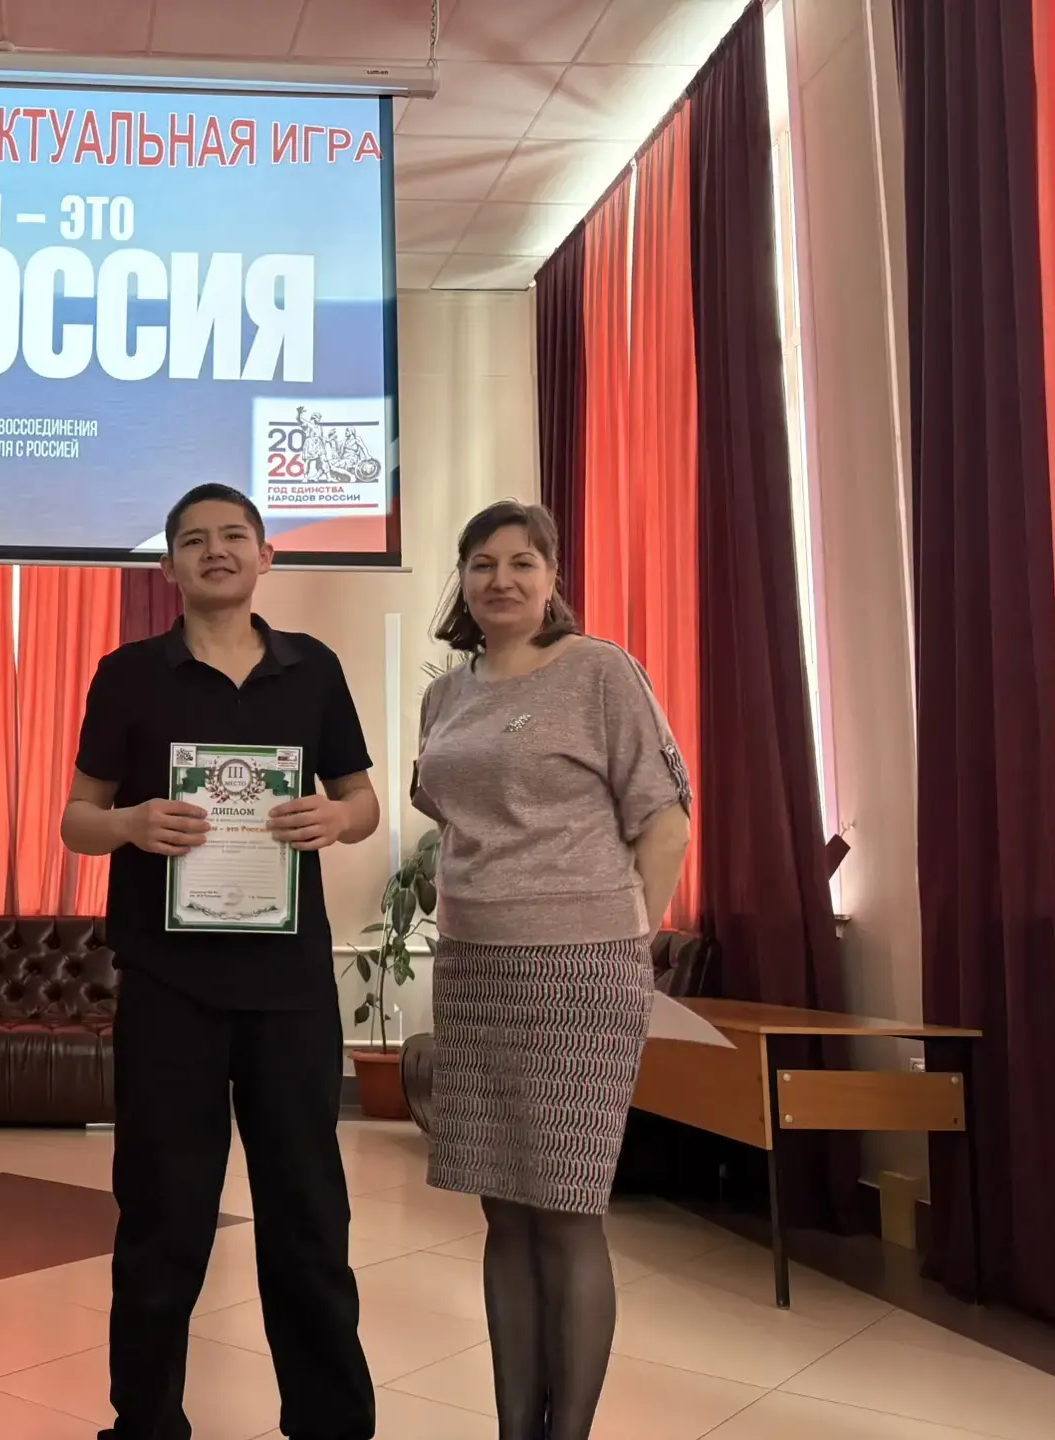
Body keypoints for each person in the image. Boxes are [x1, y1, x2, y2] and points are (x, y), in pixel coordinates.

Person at [62, 483, 380, 1440]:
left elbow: (364, 802)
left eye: (235, 535)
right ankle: (146, 1424)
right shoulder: (128, 674)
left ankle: (330, 1424)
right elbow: (77, 820)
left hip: (290, 989)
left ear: (265, 555)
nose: (215, 550)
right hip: (169, 986)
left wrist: (336, 819)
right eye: (193, 540)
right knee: (163, 1218)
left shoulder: (313, 669)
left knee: (309, 1219)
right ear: (169, 566)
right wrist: (129, 823)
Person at [411, 501, 691, 1440]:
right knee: (503, 1211)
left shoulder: (600, 671)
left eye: (522, 562)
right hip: (473, 967)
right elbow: (455, 819)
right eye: (482, 564)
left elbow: (665, 821)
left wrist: (625, 942)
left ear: (552, 576)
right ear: (463, 581)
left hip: (580, 968)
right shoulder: (446, 697)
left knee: (567, 1211)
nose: (502, 579)